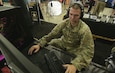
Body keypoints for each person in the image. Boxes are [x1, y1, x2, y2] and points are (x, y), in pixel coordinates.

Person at [28, 3, 94, 73]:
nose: (72, 18)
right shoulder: (65, 22)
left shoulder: (84, 29)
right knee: (51, 42)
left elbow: (88, 50)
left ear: (81, 15)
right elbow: (52, 34)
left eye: (76, 15)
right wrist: (39, 44)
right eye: (71, 14)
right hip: (63, 43)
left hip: (74, 49)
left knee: (81, 63)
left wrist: (75, 65)